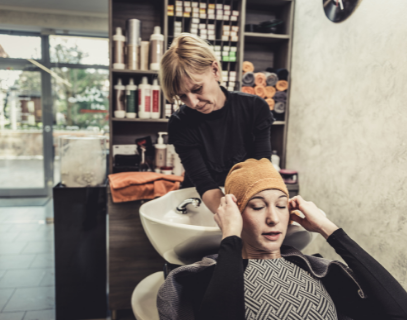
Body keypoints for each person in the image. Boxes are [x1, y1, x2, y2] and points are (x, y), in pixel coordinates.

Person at [157, 158, 407, 320]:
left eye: (280, 205)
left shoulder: (318, 271)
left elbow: (399, 310)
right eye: (256, 206)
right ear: (235, 213)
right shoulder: (204, 278)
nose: (273, 218)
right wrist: (230, 236)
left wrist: (328, 229)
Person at [159, 33, 274, 214]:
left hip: (248, 198)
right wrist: (234, 223)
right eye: (182, 96)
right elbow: (205, 184)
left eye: (197, 89)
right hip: (201, 201)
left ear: (215, 70)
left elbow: (263, 172)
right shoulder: (180, 123)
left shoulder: (254, 108)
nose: (193, 103)